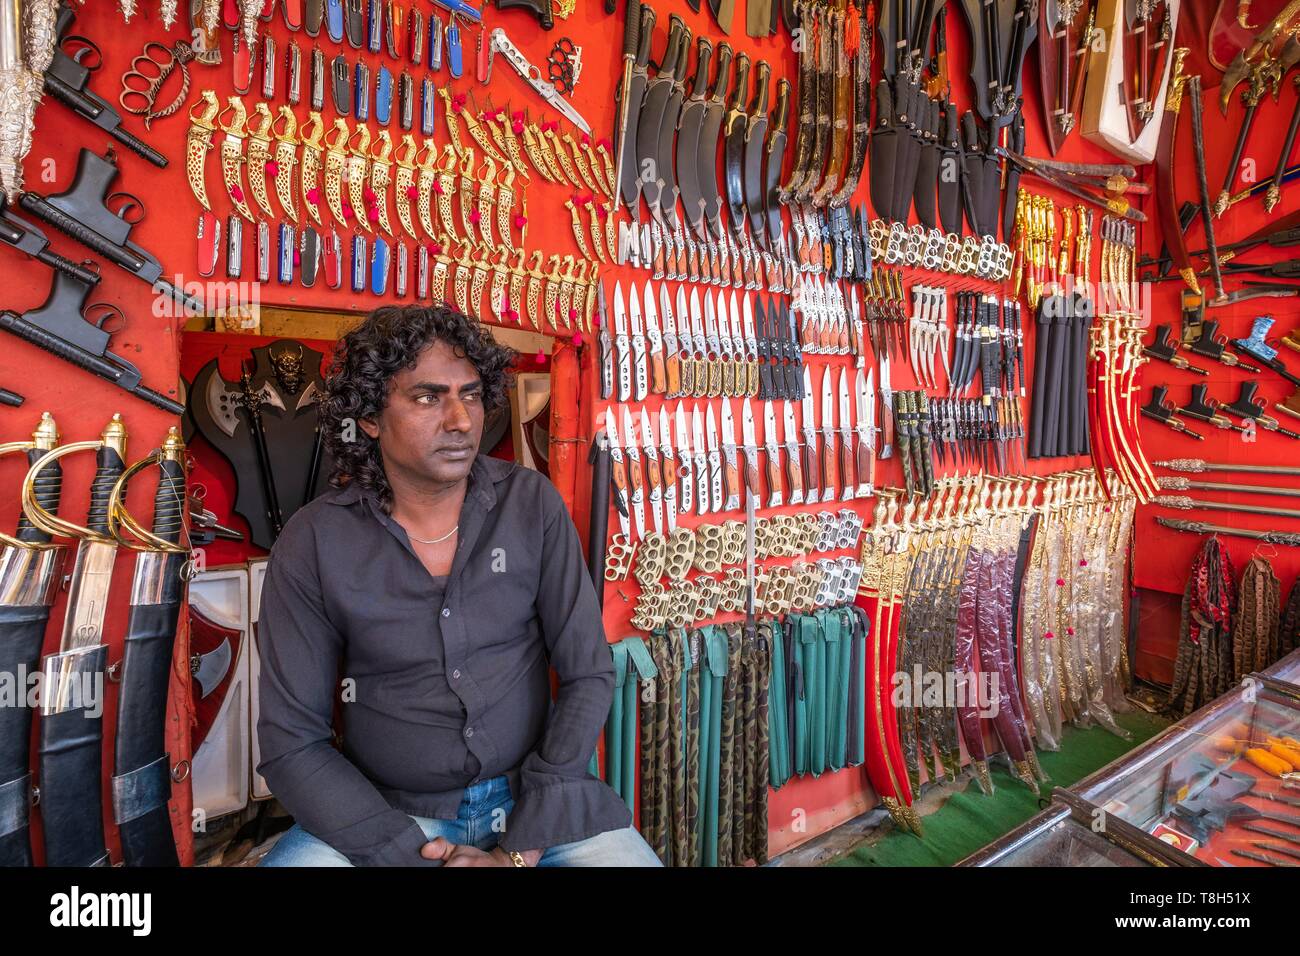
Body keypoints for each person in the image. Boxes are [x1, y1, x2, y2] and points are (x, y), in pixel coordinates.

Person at [256, 304, 660, 867]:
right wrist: (406, 853)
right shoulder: (315, 543)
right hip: (387, 812)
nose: (461, 421)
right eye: (427, 397)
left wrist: (518, 851)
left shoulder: (531, 505)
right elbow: (292, 742)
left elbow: (588, 673)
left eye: (470, 395)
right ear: (370, 416)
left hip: (539, 804)